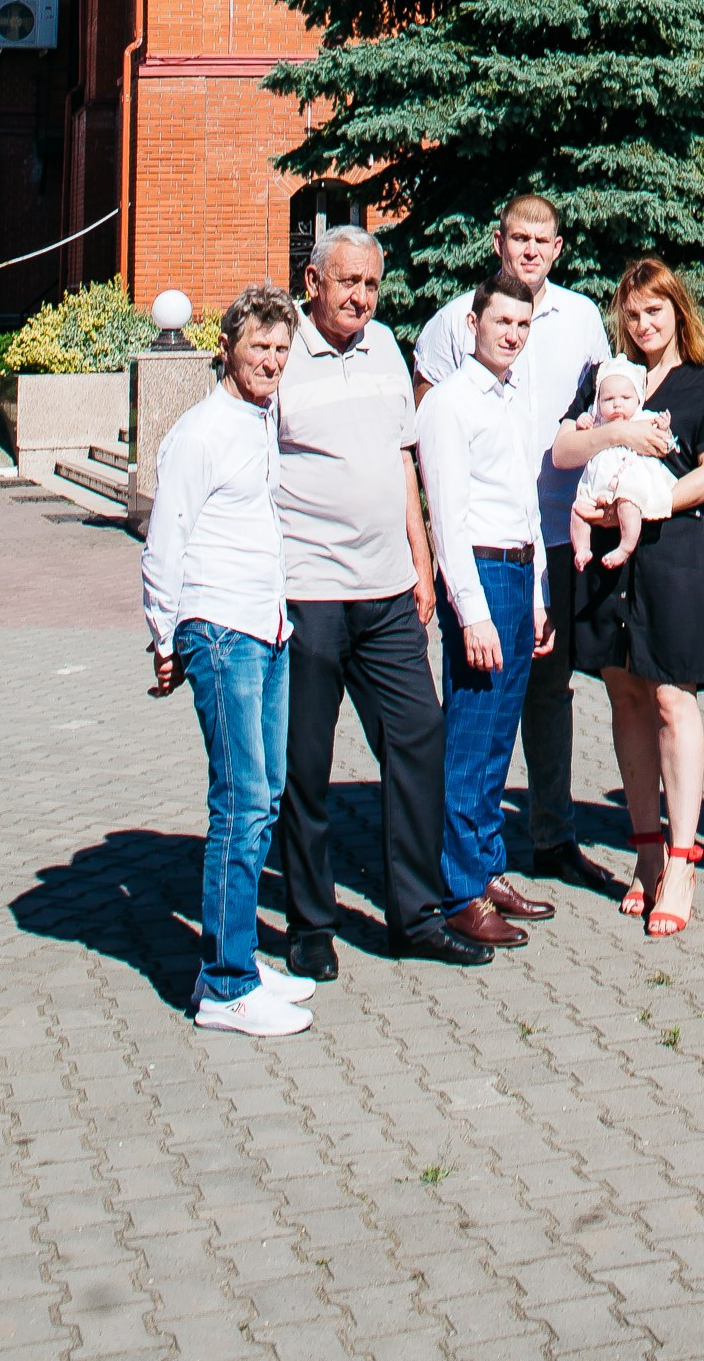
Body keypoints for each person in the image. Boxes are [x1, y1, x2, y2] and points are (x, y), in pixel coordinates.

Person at [271, 225, 484, 977]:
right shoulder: (281, 352)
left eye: (371, 284)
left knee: (419, 737)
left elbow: (403, 460)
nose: (362, 298)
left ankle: (416, 916)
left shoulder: (386, 345)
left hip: (388, 591)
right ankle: (311, 925)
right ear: (313, 282)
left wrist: (423, 564)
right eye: (348, 282)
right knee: (306, 762)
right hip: (307, 594)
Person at [413, 190, 620, 898]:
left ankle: (552, 835)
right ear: (497, 242)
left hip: (558, 532)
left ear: (557, 249)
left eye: (542, 241)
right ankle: (467, 862)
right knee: (481, 700)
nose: (530, 250)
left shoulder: (581, 318)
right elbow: (429, 420)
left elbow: (604, 403)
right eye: (518, 238)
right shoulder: (456, 322)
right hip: (482, 545)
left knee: (546, 690)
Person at [142, 283, 317, 1035]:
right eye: (258, 348)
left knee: (264, 796)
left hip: (266, 627)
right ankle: (224, 986)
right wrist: (163, 634)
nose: (271, 361)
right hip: (220, 631)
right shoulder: (201, 432)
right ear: (227, 348)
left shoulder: (259, 419)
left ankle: (237, 954)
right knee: (240, 805)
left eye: (281, 349)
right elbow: (166, 538)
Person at [552, 256, 704, 940]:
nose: (642, 324)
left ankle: (683, 862)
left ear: (677, 311)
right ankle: (646, 853)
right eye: (631, 314)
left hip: (673, 559)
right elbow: (564, 449)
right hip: (606, 561)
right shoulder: (608, 379)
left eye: (654, 311)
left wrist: (650, 501)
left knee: (670, 698)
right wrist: (617, 435)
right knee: (625, 696)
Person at [414, 274, 556, 951]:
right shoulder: (449, 403)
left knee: (500, 734)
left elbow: (525, 502)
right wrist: (471, 612)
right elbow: (447, 515)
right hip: (480, 574)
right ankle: (459, 890)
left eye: (523, 326)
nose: (513, 335)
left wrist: (538, 596)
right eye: (502, 322)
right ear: (473, 325)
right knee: (472, 735)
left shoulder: (512, 396)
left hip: (518, 571)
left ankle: (487, 866)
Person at [568, 353, 679, 566]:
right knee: (578, 510)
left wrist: (664, 428)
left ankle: (626, 546)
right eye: (608, 399)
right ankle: (582, 548)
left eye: (625, 398)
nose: (617, 405)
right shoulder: (597, 422)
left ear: (638, 399)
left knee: (629, 506)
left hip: (627, 484)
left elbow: (665, 445)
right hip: (597, 484)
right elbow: (578, 440)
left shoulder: (644, 418)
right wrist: (582, 421)